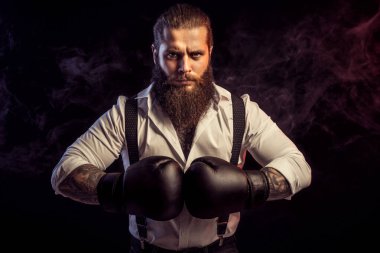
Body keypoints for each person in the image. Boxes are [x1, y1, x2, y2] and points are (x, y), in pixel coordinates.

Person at [51, 3, 311, 253]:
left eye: (195, 54)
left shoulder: (240, 112)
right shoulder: (127, 114)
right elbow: (64, 173)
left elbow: (299, 166)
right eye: (173, 54)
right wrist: (121, 191)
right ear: (156, 54)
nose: (184, 67)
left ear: (210, 52)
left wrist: (248, 186)